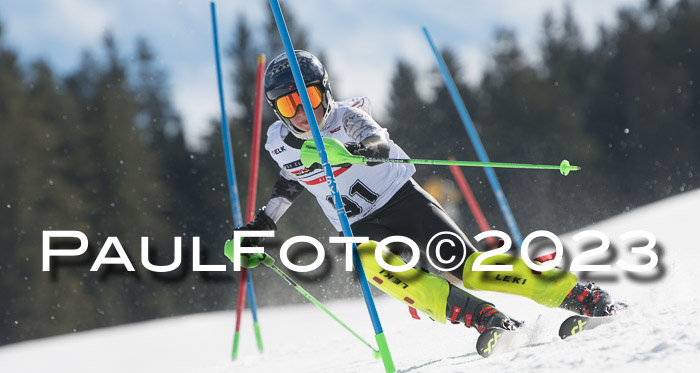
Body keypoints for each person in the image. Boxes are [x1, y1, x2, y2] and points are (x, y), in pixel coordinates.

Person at [227, 50, 622, 335]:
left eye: (309, 97)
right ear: (275, 109)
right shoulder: (279, 141)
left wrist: (348, 152)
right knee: (374, 264)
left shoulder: (347, 118)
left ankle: (579, 295)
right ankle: (483, 317)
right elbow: (291, 180)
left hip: (404, 203)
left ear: (325, 92)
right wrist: (262, 225)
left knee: (470, 269)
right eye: (288, 103)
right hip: (361, 226)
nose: (302, 113)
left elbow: (378, 144)